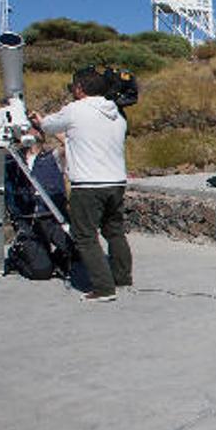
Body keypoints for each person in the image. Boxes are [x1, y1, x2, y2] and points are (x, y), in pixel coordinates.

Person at [32, 67, 131, 302]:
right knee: (114, 231)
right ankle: (122, 277)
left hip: (88, 184)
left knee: (85, 236)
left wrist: (39, 120)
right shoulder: (116, 113)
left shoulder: (76, 110)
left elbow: (48, 125)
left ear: (79, 88)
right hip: (116, 182)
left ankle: (103, 288)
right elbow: (86, 139)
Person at [0, 126, 73, 279]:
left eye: (34, 129)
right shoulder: (9, 161)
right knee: (41, 271)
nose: (31, 131)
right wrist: (5, 203)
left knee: (81, 250)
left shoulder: (53, 156)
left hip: (53, 218)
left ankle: (53, 258)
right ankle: (18, 256)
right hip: (27, 222)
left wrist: (46, 125)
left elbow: (72, 144)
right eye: (27, 129)